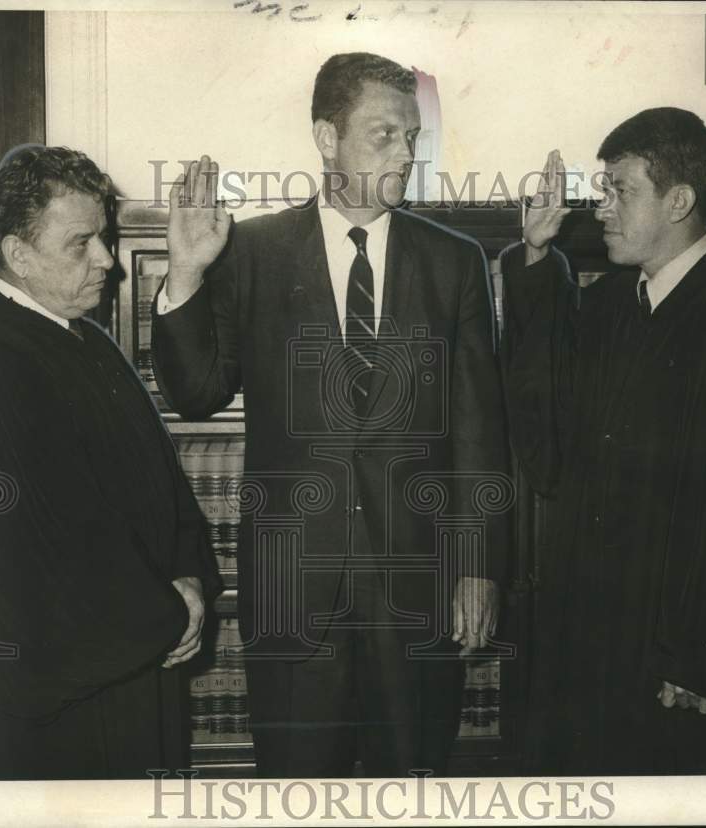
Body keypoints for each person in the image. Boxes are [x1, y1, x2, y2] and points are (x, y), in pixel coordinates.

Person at [151, 52, 510, 777]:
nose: (405, 154)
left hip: (417, 586)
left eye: (412, 137)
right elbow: (196, 394)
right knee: (298, 782)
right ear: (326, 137)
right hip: (292, 589)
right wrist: (186, 272)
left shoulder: (455, 262)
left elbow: (478, 429)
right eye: (384, 134)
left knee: (410, 778)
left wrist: (478, 568)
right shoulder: (249, 252)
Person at [501, 108, 706, 774]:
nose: (603, 207)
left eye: (621, 189)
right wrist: (534, 259)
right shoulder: (615, 303)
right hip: (593, 635)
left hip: (683, 655)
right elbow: (546, 436)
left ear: (678, 201)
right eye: (602, 188)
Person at [0, 145, 223, 779]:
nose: (107, 259)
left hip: (134, 655)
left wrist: (189, 575)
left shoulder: (77, 335)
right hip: (69, 710)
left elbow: (160, 485)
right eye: (82, 243)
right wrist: (170, 610)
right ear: (18, 254)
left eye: (103, 236)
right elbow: (50, 551)